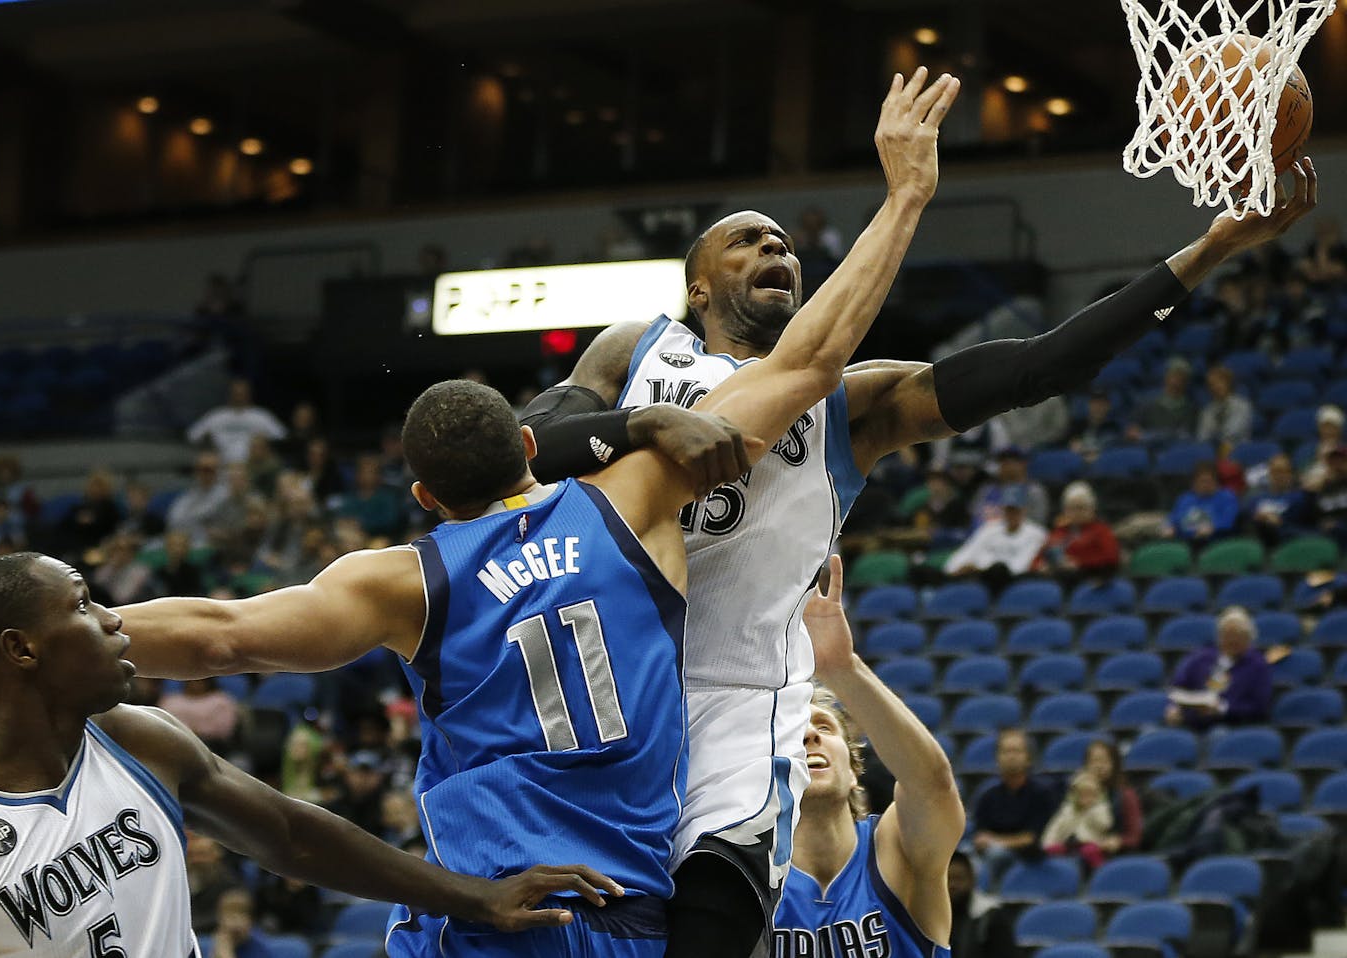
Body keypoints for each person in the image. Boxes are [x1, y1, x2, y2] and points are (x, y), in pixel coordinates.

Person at [0, 75, 955, 957]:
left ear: (422, 496)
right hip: (613, 904)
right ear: (524, 450)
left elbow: (224, 634)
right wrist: (903, 195)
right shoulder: (624, 503)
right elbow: (810, 363)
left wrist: (43, 654)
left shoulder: (401, 576)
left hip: (477, 903)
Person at [516, 152, 1311, 954]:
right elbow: (524, 453)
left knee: (712, 919)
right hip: (608, 674)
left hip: (741, 697)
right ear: (697, 287)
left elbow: (1041, 365)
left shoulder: (854, 403)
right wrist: (643, 427)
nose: (776, 251)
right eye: (749, 241)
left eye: (786, 244)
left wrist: (1206, 252)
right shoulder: (634, 353)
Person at [0, 553, 622, 958]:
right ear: (21, 649)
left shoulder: (137, 737)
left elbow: (292, 836)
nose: (113, 619)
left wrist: (479, 895)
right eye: (82, 606)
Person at [774, 555, 963, 957]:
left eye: (824, 727)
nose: (809, 735)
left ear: (855, 769)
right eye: (792, 734)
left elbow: (931, 785)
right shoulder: (750, 872)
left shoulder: (896, 848)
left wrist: (842, 669)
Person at [971, 729, 1059, 884]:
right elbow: (980, 835)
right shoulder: (988, 796)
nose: (1011, 756)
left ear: (1028, 759)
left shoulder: (1042, 794)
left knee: (996, 854)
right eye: (1005, 751)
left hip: (1029, 856)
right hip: (989, 852)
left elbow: (1033, 838)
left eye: (1017, 751)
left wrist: (996, 841)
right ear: (997, 758)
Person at [1165, 605, 1273, 729]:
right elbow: (1178, 686)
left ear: (1249, 639)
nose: (1232, 640)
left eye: (1238, 635)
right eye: (1227, 635)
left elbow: (1259, 707)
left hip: (1230, 725)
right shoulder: (1201, 657)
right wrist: (1172, 707)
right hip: (1191, 720)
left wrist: (1223, 708)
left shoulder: (1258, 666)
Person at [943, 490, 1047, 592]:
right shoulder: (989, 528)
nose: (1011, 514)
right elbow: (968, 550)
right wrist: (954, 568)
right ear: (1003, 509)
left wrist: (981, 571)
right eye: (1008, 510)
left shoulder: (1037, 534)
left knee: (998, 571)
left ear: (1024, 510)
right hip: (977, 579)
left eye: (1015, 510)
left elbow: (1020, 567)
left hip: (1009, 583)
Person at [1033, 481, 1121, 582]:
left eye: (1081, 508)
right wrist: (1041, 566)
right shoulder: (1058, 532)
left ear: (1092, 509)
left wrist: (1079, 564)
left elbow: (1111, 559)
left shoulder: (1102, 531)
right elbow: (1036, 560)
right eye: (1071, 508)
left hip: (1086, 579)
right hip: (1055, 579)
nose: (1076, 513)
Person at [187, 379, 287, 466]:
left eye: (242, 394)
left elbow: (282, 436)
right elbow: (193, 435)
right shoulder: (216, 416)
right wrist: (206, 439)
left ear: (249, 395)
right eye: (236, 393)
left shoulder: (261, 416)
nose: (239, 397)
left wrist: (266, 440)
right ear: (230, 394)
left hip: (254, 468)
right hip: (221, 466)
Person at [1041, 770, 1115, 872]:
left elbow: (1106, 824)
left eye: (1091, 794)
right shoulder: (1067, 810)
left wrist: (1091, 810)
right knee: (1052, 850)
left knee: (1090, 851)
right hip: (1068, 844)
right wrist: (1047, 844)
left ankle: (1100, 872)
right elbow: (1055, 827)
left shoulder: (1100, 809)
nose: (1086, 798)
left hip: (1091, 843)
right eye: (1082, 794)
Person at [946, 852, 1016, 958]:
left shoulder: (991, 915)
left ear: (972, 880)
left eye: (958, 878)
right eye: (948, 879)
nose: (952, 885)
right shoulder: (931, 916)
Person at [1083, 739, 1141, 856]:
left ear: (1114, 764)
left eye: (1104, 761)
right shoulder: (1076, 793)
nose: (1099, 766)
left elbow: (1134, 837)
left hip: (1115, 855)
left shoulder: (1126, 795)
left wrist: (1119, 841)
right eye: (1094, 761)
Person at [970, 448, 1050, 528]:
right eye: (1003, 462)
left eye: (1012, 462)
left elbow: (1038, 523)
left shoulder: (1033, 491)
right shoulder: (987, 490)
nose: (1007, 465)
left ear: (1023, 464)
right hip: (986, 535)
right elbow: (975, 517)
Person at [1243, 453, 1311, 546]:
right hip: (1260, 539)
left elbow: (1302, 525)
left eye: (1284, 471)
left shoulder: (1299, 497)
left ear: (1291, 474)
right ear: (1269, 473)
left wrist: (1280, 522)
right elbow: (1247, 520)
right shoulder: (1256, 499)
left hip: (1289, 541)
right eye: (1276, 471)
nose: (1280, 476)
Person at [1165, 462, 1240, 544]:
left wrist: (1212, 528)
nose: (1205, 485)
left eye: (1208, 481)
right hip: (1186, 542)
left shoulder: (1227, 497)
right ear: (1194, 483)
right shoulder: (1185, 498)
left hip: (1215, 542)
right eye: (1202, 481)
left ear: (1216, 481)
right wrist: (1169, 527)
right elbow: (1173, 518)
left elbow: (1228, 520)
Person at [1128, 356, 1197, 442]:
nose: (1177, 379)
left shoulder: (1190, 407)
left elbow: (1186, 434)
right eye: (1174, 374)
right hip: (1148, 447)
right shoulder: (1147, 401)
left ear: (1187, 381)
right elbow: (1132, 430)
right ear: (1166, 376)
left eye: (1181, 376)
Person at [1196, 364, 1254, 447]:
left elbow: (1232, 432)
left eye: (1219, 382)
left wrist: (1214, 434)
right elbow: (1202, 436)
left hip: (1237, 449)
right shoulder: (1207, 411)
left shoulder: (1242, 405)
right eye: (1212, 384)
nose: (1215, 387)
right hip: (1212, 452)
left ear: (1228, 383)